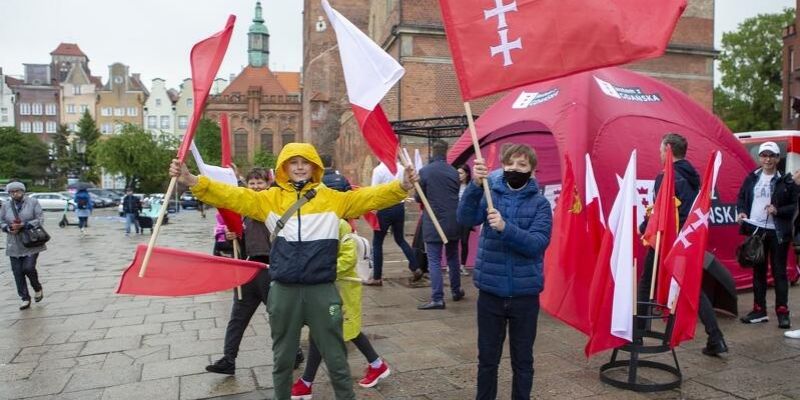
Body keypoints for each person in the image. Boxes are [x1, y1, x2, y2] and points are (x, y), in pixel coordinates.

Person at [169, 142, 418, 400]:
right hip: (284, 292)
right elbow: (230, 195)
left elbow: (370, 197)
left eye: (305, 162)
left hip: (322, 291)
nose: (300, 167)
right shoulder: (268, 200)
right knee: (283, 360)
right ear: (284, 167)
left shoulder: (334, 199)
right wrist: (191, 180)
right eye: (293, 162)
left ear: (314, 167)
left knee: (336, 359)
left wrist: (401, 186)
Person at [457, 143, 552, 400]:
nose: (514, 169)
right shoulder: (491, 192)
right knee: (487, 360)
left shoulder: (541, 204)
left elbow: (536, 244)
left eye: (522, 165)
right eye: (510, 163)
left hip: (524, 296)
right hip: (491, 292)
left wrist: (504, 227)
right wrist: (475, 186)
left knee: (523, 361)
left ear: (532, 170)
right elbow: (465, 219)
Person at [638, 133, 728, 356]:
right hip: (685, 240)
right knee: (693, 288)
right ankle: (716, 338)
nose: (659, 154)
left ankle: (637, 332)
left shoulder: (667, 176)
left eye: (661, 150)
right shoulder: (692, 176)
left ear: (668, 149)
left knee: (646, 281)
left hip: (665, 239)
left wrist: (644, 227)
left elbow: (662, 214)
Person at [291, 220, 391, 399]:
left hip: (343, 288)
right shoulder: (319, 222)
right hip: (328, 287)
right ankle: (377, 365)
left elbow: (347, 259)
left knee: (338, 330)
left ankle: (307, 383)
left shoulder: (339, 224)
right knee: (327, 329)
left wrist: (321, 271)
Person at [206, 168, 272, 375]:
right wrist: (230, 235)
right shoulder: (241, 211)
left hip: (270, 270)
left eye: (259, 182)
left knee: (279, 318)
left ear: (268, 184)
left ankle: (294, 351)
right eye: (252, 183)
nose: (255, 186)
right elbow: (228, 246)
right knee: (238, 317)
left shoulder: (274, 206)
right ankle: (228, 359)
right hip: (246, 270)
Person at [736, 141, 796, 329]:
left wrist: (777, 210)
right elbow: (741, 198)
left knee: (779, 273)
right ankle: (759, 310)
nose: (767, 159)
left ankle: (782, 312)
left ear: (778, 159)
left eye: (771, 155)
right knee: (758, 272)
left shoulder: (787, 181)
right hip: (756, 231)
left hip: (777, 233)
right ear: (759, 158)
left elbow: (795, 206)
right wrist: (742, 212)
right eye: (764, 155)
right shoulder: (751, 178)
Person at [416, 140, 463, 310]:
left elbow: (418, 197)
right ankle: (456, 291)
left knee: (434, 260)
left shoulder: (425, 171)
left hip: (434, 220)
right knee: (452, 257)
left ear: (433, 152)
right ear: (445, 152)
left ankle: (437, 298)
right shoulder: (453, 172)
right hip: (453, 220)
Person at [369, 161, 419, 285]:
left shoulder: (378, 170)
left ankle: (377, 277)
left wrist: (372, 209)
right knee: (400, 239)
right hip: (399, 207)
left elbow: (373, 191)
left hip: (384, 208)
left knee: (377, 243)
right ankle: (415, 267)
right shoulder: (401, 168)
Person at [0, 181, 46, 310]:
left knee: (28, 268)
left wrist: (24, 225)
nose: (15, 194)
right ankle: (25, 298)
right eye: (11, 192)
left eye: (17, 191)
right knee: (17, 272)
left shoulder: (33, 202)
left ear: (23, 191)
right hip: (13, 243)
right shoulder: (6, 205)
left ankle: (37, 288)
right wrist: (9, 228)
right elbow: (1, 221)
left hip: (31, 241)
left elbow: (40, 219)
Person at [457, 164, 473, 276]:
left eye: (461, 173)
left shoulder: (471, 186)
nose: (459, 176)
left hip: (466, 217)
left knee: (464, 241)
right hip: (455, 217)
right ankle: (451, 265)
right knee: (453, 241)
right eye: (457, 173)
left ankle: (462, 265)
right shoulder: (454, 186)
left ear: (467, 174)